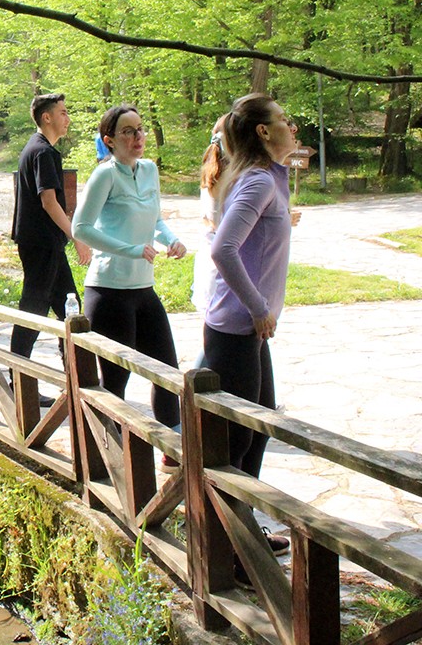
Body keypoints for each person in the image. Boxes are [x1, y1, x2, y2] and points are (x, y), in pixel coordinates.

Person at [204, 93, 299, 563]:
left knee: (258, 431)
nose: (292, 126)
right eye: (283, 120)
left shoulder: (270, 178)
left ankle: (242, 536)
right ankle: (231, 551)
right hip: (236, 328)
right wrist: (259, 307)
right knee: (238, 439)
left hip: (248, 331)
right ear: (263, 131)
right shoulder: (259, 181)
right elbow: (223, 249)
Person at [71, 104, 186, 456]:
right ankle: (109, 457)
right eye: (128, 131)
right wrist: (130, 250)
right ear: (109, 140)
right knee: (115, 380)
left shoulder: (149, 170)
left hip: (143, 290)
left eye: (140, 129)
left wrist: (171, 239)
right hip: (109, 291)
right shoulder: (104, 175)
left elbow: (155, 219)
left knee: (167, 372)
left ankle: (174, 454)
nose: (138, 137)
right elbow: (81, 228)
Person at [9, 93, 91, 380]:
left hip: (45, 243)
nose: (68, 119)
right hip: (41, 244)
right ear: (47, 117)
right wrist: (76, 236)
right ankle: (19, 380)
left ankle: (77, 379)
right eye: (63, 113)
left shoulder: (37, 148)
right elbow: (49, 201)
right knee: (33, 311)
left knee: (70, 309)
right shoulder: (42, 152)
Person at [190, 117, 228, 313]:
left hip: (211, 252)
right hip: (220, 256)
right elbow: (217, 221)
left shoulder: (214, 168)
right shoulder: (225, 174)